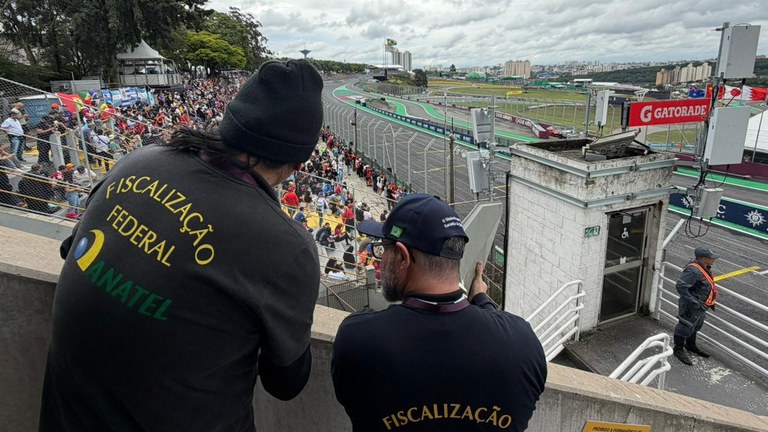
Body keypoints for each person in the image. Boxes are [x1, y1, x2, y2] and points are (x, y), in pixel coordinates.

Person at [39, 59, 325, 431]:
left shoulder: (138, 161)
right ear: (298, 162)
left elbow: (72, 251)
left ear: (229, 121)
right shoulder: (288, 247)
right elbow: (285, 382)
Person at [332, 194, 547, 432]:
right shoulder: (523, 344)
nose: (381, 260)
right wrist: (482, 300)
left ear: (403, 257)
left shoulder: (357, 339)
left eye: (384, 250)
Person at [673, 247, 719, 366]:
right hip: (691, 306)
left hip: (700, 306)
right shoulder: (694, 271)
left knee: (695, 326)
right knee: (684, 326)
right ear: (704, 259)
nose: (713, 260)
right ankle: (678, 349)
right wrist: (693, 301)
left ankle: (690, 345)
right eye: (711, 258)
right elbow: (681, 286)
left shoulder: (703, 268)